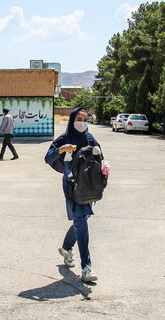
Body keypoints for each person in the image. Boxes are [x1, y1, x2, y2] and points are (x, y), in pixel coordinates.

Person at [44, 107, 102, 282]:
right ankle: (87, 267)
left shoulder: (90, 138)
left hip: (88, 185)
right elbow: (48, 158)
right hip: (71, 184)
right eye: (79, 119)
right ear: (72, 119)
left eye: (85, 120)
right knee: (81, 219)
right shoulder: (64, 138)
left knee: (81, 219)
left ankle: (67, 248)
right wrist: (61, 149)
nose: (82, 123)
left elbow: (101, 159)